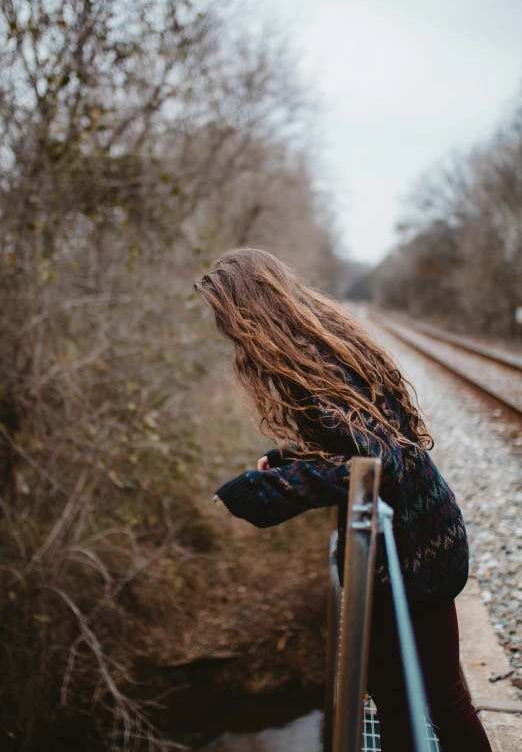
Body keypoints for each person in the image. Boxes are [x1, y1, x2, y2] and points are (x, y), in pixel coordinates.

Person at [193, 247, 492, 752]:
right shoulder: (319, 347)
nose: (226, 332)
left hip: (417, 547)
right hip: (409, 537)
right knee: (392, 694)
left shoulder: (314, 363)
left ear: (249, 312)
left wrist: (269, 491)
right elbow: (360, 444)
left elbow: (379, 464)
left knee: (444, 699)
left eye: (226, 318)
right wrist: (289, 461)